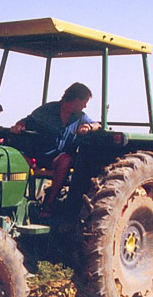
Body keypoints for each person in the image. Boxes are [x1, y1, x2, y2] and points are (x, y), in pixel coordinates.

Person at [10, 82, 101, 215]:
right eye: (84, 102)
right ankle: (15, 204)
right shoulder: (47, 110)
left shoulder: (80, 117)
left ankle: (49, 204)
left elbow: (97, 124)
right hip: (38, 155)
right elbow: (26, 121)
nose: (85, 106)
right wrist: (18, 126)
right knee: (16, 159)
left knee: (66, 160)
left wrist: (89, 127)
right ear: (76, 100)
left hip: (57, 159)